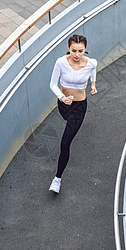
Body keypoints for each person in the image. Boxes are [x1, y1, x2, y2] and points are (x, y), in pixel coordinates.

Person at [49, 34, 98, 193]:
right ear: (68, 49)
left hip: (79, 107)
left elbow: (93, 71)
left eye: (80, 51)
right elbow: (52, 84)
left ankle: (57, 179)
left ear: (85, 50)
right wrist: (62, 97)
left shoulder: (91, 63)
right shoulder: (61, 62)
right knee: (66, 123)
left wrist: (93, 85)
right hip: (64, 105)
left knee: (64, 143)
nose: (77, 55)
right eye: (73, 51)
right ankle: (57, 179)